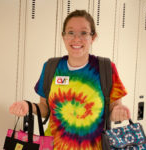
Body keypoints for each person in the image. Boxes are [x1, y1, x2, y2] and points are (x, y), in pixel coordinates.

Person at [9, 10, 130, 150]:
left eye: (84, 33)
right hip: (54, 146)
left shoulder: (106, 68)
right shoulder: (51, 67)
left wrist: (118, 113)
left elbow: (114, 111)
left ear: (93, 37)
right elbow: (45, 109)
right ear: (63, 36)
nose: (76, 39)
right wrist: (28, 106)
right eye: (71, 32)